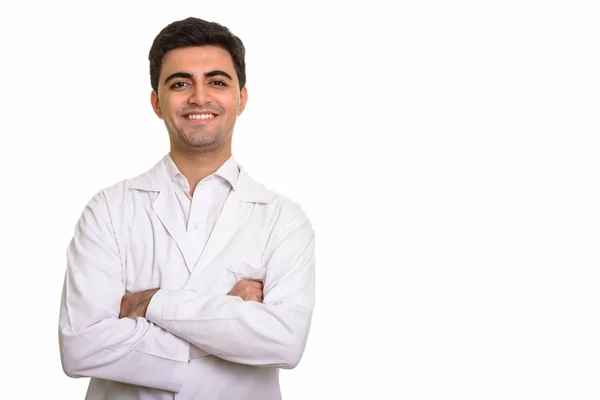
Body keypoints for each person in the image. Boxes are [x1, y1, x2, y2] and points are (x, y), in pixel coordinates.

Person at [58, 17, 315, 400]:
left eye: (217, 81)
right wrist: (229, 317)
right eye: (180, 83)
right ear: (156, 102)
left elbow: (284, 343)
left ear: (241, 99)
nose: (199, 97)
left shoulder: (284, 220)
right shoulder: (109, 210)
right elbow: (81, 348)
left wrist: (152, 303)